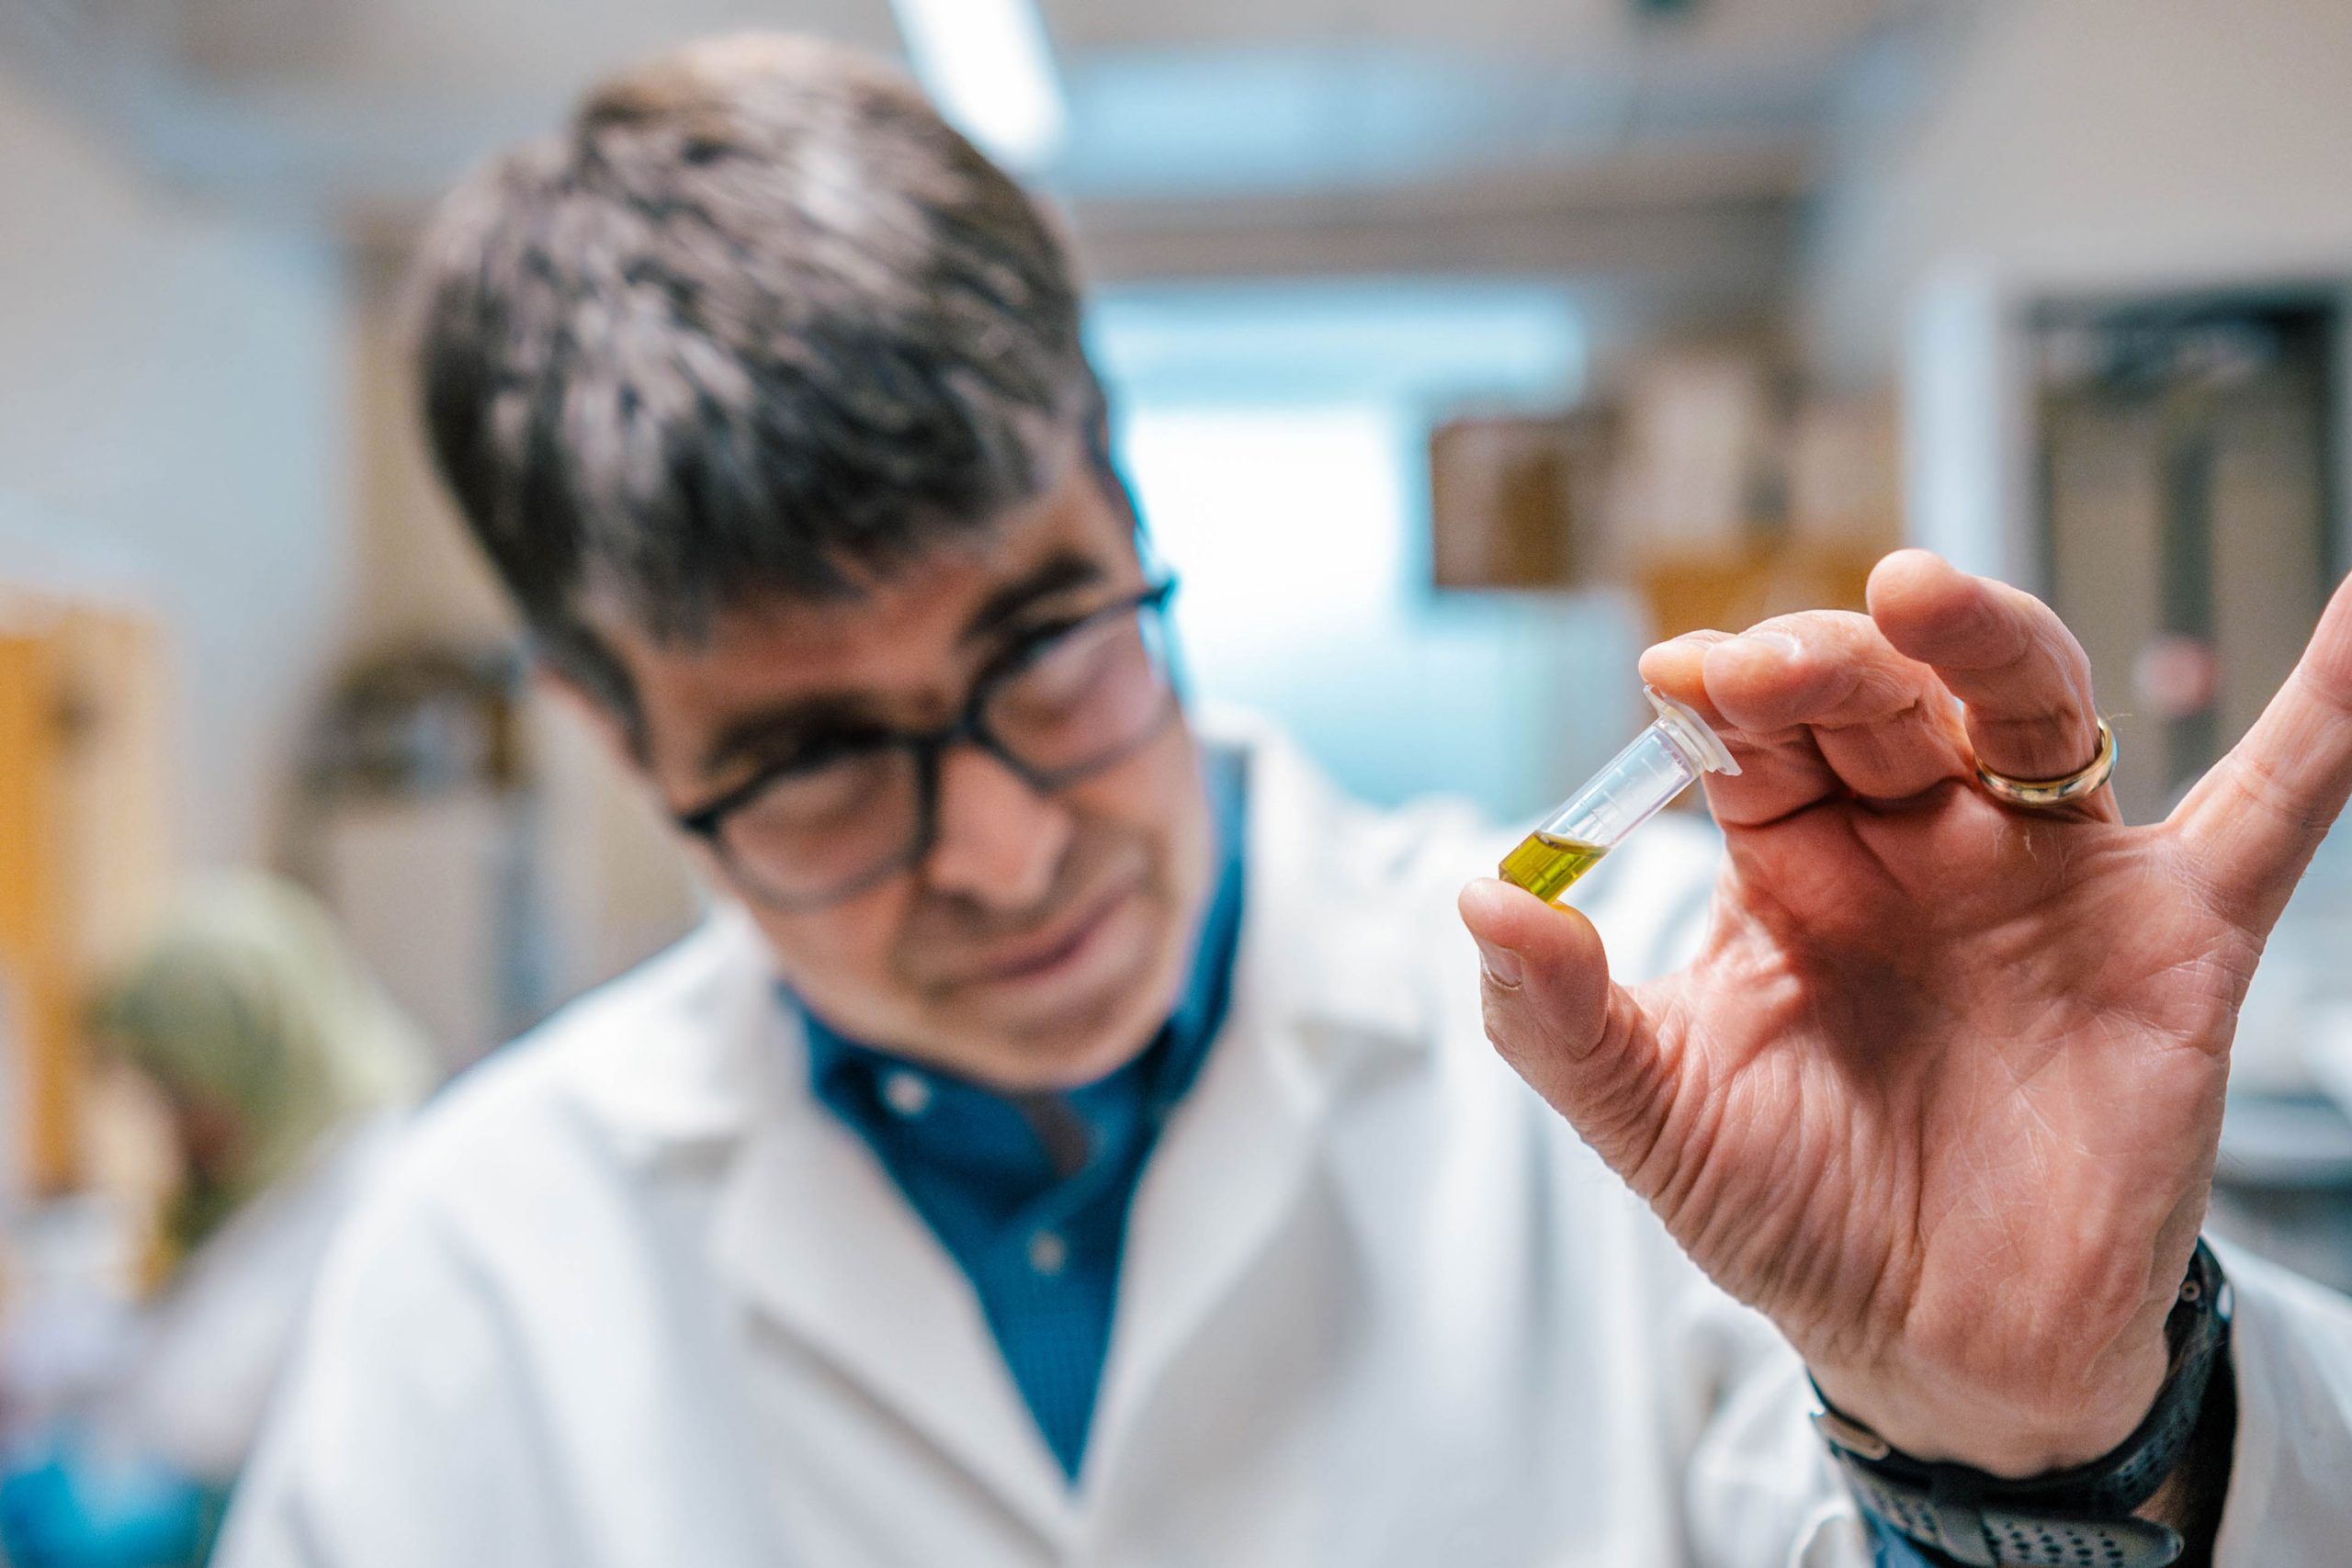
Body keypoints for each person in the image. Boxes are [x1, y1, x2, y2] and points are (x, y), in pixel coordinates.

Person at [216, 33, 2352, 1568]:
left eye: (1042, 641)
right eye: (810, 759)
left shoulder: (1724, 1033)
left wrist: (2048, 1452)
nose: (1003, 843)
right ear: (610, 729)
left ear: (1125, 497)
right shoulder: (468, 1278)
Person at [0, 874, 432, 1564]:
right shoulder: (269, 1182)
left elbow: (201, 1416)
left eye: (183, 1094)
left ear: (252, 1052)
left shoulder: (370, 1196)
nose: (173, 1131)